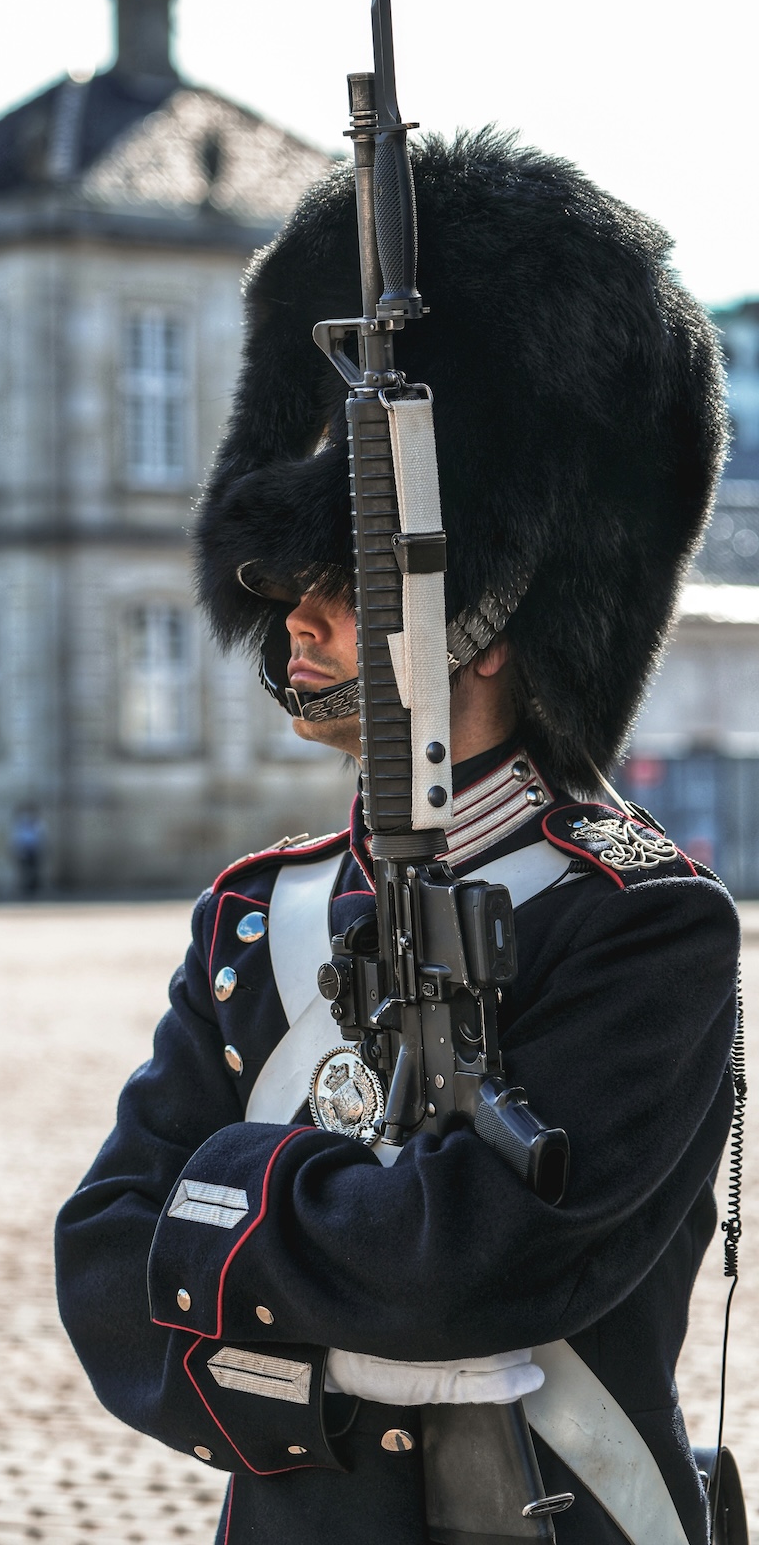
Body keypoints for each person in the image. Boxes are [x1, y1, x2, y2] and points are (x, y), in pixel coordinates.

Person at [54, 131, 740, 1545]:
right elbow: (106, 1259)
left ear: (488, 609)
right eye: (289, 584)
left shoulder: (644, 923)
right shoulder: (257, 917)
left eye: (341, 580)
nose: (293, 619)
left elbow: (473, 1264)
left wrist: (228, 1204)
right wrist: (334, 1363)